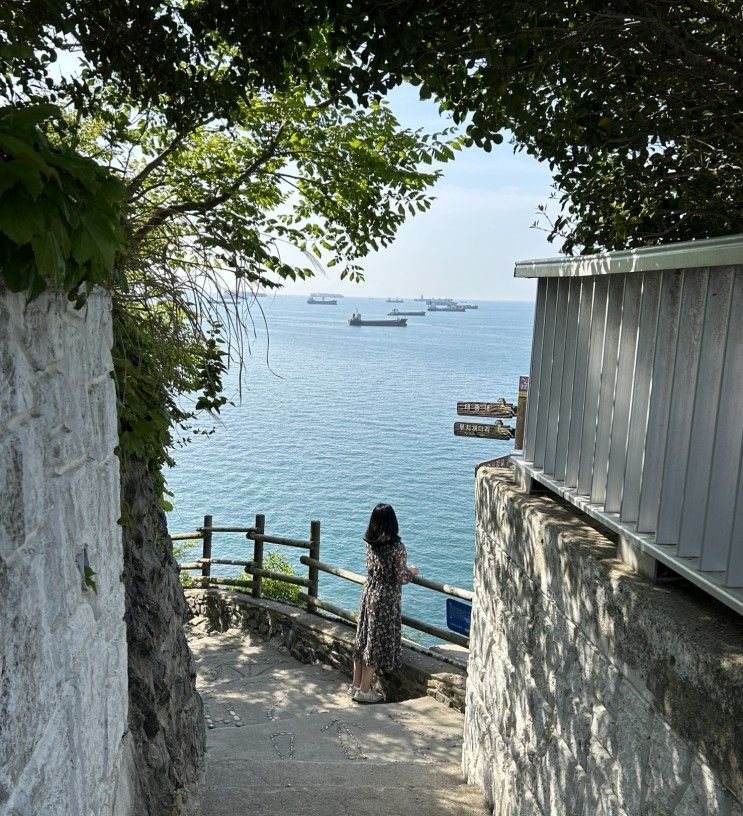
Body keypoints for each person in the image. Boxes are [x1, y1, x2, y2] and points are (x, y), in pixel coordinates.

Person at [350, 503, 418, 704]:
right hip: (385, 599)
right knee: (376, 643)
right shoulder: (397, 547)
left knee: (363, 638)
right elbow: (400, 576)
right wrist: (412, 572)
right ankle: (364, 691)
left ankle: (355, 685)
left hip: (369, 592)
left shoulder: (370, 543)